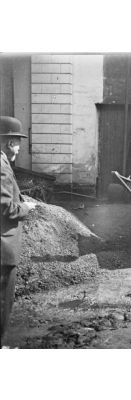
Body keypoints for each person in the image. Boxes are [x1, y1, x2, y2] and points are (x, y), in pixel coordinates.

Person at [1, 116, 36, 347]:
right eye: (17, 143)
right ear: (8, 142)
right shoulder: (1, 167)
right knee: (3, 302)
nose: (19, 148)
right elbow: (5, 208)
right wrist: (26, 208)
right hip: (3, 249)